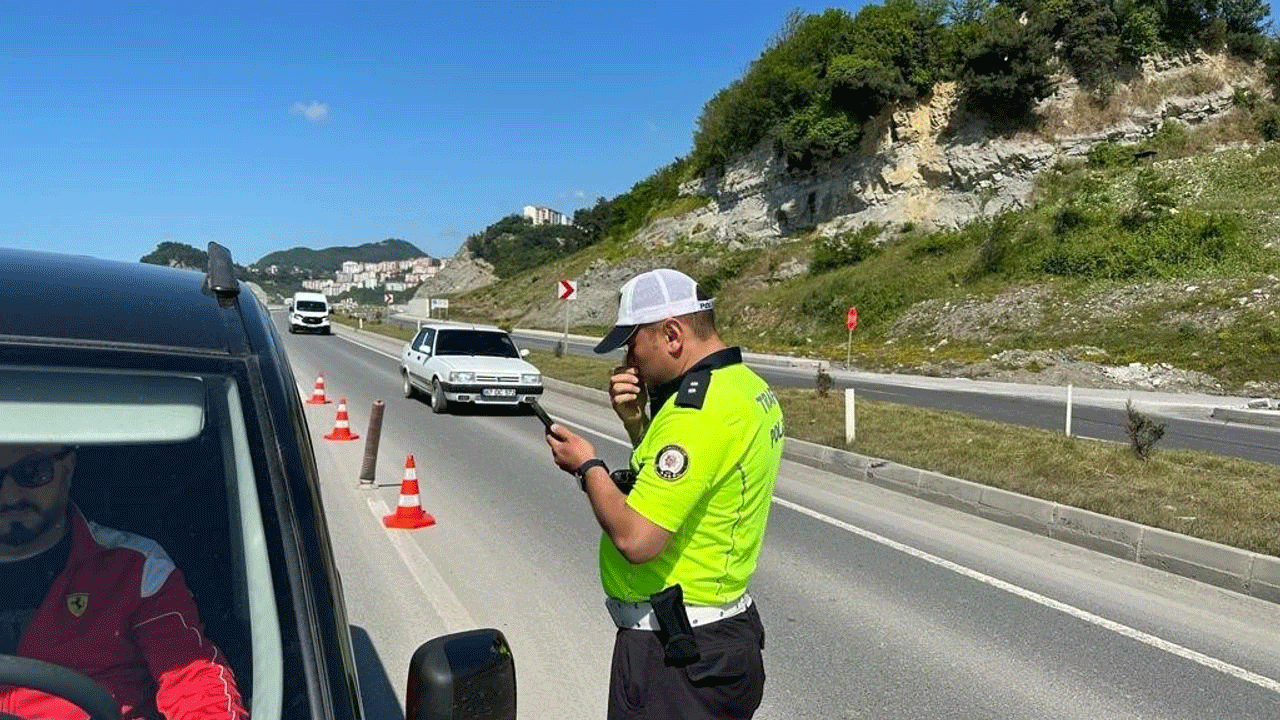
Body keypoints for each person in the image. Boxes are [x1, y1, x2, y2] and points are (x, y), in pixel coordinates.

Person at [545, 268, 784, 720]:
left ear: (672, 334)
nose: (629, 362)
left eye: (632, 343)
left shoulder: (696, 413)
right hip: (718, 640)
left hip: (676, 658)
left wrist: (587, 466)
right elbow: (685, 479)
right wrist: (637, 423)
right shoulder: (747, 387)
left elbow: (638, 540)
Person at [0, 443, 248, 720]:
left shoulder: (135, 568)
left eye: (32, 472)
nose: (9, 495)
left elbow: (192, 680)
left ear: (67, 468)